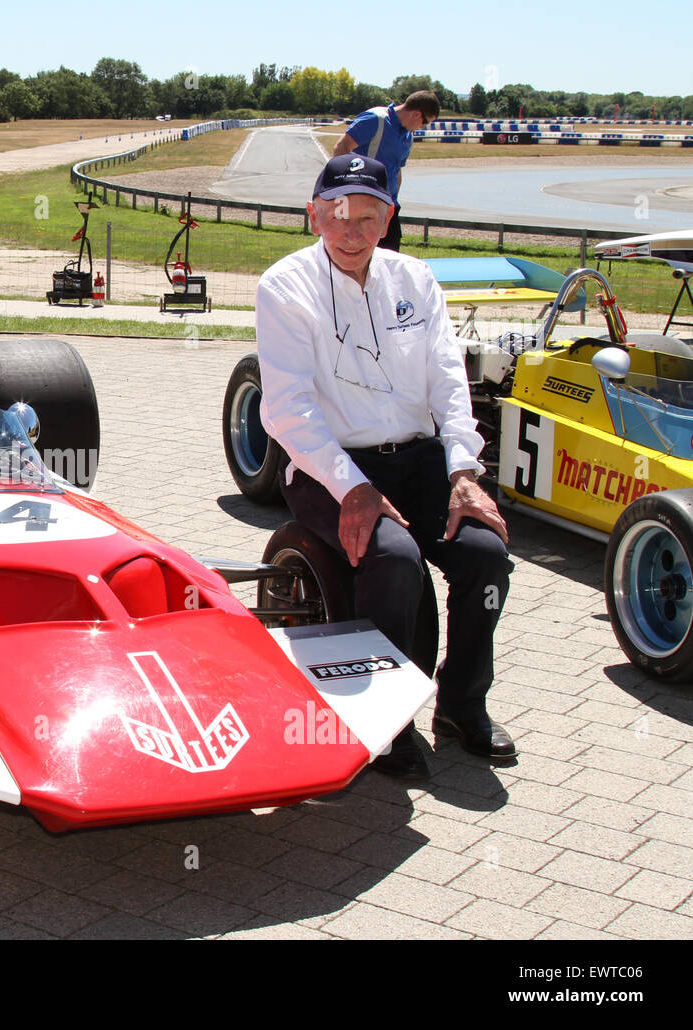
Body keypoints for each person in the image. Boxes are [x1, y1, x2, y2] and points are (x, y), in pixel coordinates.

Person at [255, 154, 515, 780]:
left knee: (486, 554)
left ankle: (460, 704)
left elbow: (450, 384)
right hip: (328, 465)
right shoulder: (284, 287)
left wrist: (464, 473)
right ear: (313, 216)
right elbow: (287, 411)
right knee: (393, 557)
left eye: (368, 217)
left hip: (420, 459)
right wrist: (355, 487)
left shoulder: (416, 280)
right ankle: (385, 720)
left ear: (388, 219)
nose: (351, 232)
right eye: (338, 216)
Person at [332, 90, 439, 252]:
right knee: (355, 262)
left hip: (389, 209)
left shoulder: (408, 137)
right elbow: (341, 147)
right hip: (361, 207)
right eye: (425, 122)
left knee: (389, 267)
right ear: (416, 114)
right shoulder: (375, 119)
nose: (423, 127)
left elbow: (397, 171)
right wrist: (347, 190)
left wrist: (392, 202)